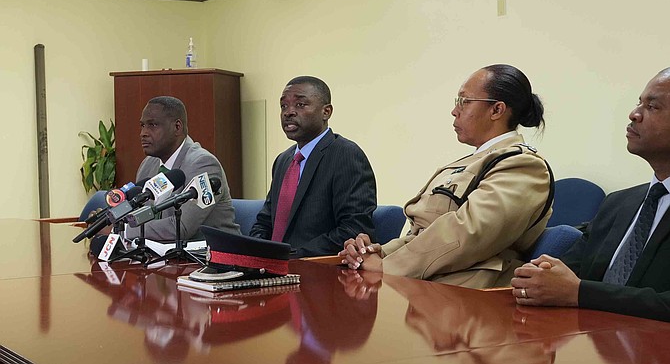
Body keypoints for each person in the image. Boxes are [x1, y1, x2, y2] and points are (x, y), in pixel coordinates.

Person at [340, 64, 553, 289]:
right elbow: (424, 233)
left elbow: (469, 234)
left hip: (466, 295)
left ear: (497, 110)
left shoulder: (522, 165)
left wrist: (388, 266)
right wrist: (377, 252)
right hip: (429, 284)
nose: (455, 110)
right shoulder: (471, 163)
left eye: (465, 101)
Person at [511, 68, 670, 322]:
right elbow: (567, 270)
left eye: (653, 107)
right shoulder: (618, 203)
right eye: (638, 102)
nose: (634, 114)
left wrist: (580, 293)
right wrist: (540, 275)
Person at [249, 76, 377, 257]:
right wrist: (256, 252)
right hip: (272, 270)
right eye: (284, 106)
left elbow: (353, 230)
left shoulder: (346, 155)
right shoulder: (283, 160)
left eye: (300, 105)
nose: (289, 112)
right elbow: (265, 221)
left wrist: (291, 255)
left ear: (326, 112)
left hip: (315, 270)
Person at [125, 96, 240, 242]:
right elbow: (141, 218)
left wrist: (125, 230)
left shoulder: (204, 164)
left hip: (212, 257)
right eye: (142, 126)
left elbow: (182, 227)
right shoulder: (147, 165)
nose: (143, 133)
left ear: (177, 127)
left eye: (152, 125)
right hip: (163, 256)